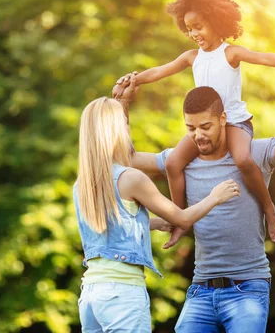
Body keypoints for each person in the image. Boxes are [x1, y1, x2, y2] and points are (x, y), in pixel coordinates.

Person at [112, 58, 275, 332]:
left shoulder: (254, 153)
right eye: (191, 129)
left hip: (248, 290)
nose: (198, 136)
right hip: (200, 290)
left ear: (223, 119)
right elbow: (127, 158)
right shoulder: (181, 161)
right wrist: (122, 105)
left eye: (206, 127)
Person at [116, 0, 275, 243]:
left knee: (243, 160)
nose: (194, 33)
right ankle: (180, 219)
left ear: (216, 21)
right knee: (174, 163)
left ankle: (269, 209)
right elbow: (158, 72)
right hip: (206, 124)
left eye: (199, 26)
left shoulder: (231, 52)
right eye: (189, 29)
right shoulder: (191, 57)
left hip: (234, 122)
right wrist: (133, 80)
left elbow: (264, 58)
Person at [74, 96, 241, 333]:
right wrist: (215, 196)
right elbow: (182, 218)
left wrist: (153, 223)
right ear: (116, 129)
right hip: (122, 294)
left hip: (91, 293)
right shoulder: (130, 178)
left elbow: (110, 226)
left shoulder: (82, 184)